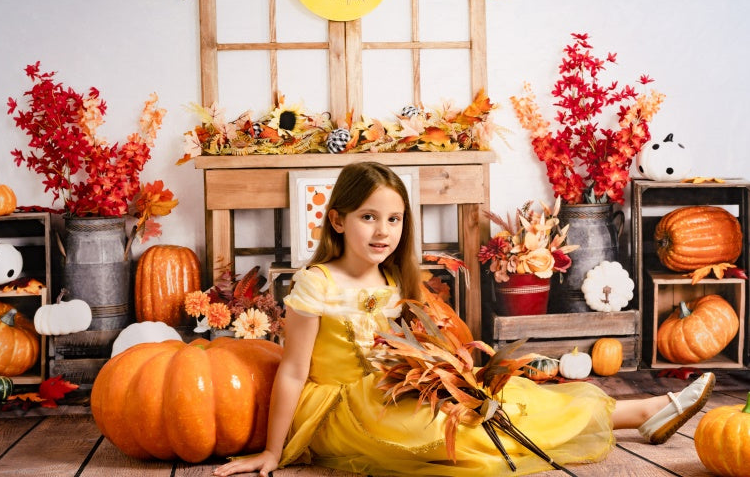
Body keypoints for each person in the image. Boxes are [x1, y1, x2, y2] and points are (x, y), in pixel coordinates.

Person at [213, 161, 715, 477]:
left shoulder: (391, 282)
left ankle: (640, 413)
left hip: (394, 388)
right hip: (348, 408)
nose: (383, 231)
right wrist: (274, 453)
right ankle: (641, 414)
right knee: (455, 435)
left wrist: (448, 374)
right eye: (368, 217)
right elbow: (294, 371)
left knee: (495, 398)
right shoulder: (316, 283)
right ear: (339, 220)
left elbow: (404, 352)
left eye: (394, 219)